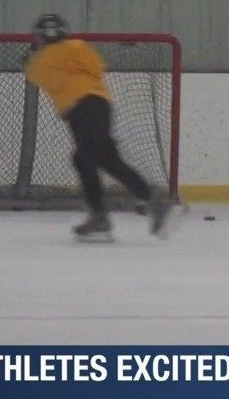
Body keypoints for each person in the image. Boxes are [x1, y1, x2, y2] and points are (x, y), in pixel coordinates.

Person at [23, 14, 172, 238]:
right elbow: (97, 68)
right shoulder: (78, 46)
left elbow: (36, 75)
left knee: (84, 158)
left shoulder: (40, 60)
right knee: (106, 159)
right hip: (97, 104)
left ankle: (103, 214)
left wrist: (32, 58)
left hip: (81, 109)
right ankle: (147, 198)